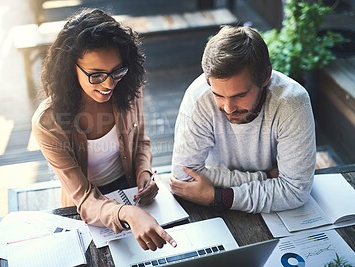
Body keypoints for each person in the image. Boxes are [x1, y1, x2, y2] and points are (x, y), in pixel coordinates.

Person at [32, 8, 176, 251]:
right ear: (70, 69)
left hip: (132, 189)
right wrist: (126, 213)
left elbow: (140, 140)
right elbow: (85, 199)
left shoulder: (128, 88)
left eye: (116, 71)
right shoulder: (49, 123)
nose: (109, 84)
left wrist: (144, 173)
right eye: (96, 75)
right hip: (87, 206)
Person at [171, 25, 316, 213]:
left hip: (275, 214)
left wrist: (218, 196)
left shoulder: (292, 103)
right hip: (229, 213)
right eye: (219, 95)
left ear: (265, 78)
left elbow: (296, 191)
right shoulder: (199, 97)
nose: (228, 108)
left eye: (240, 95)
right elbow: (183, 178)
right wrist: (267, 177)